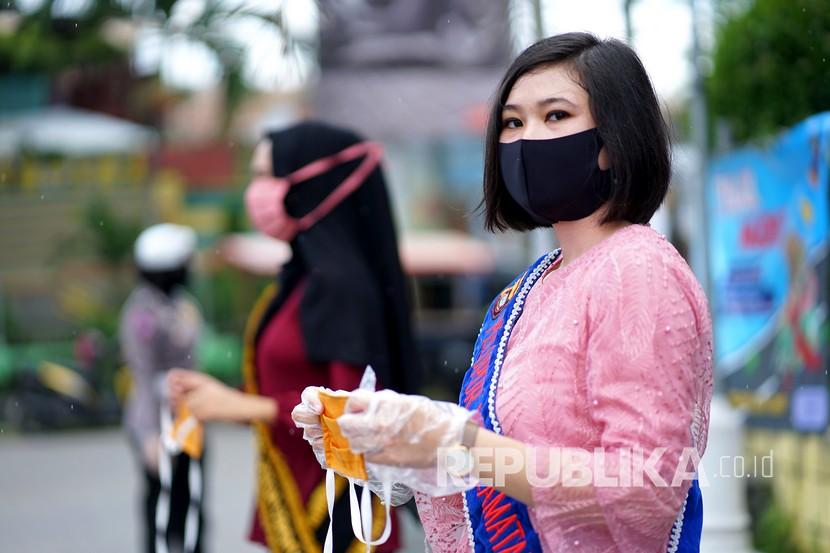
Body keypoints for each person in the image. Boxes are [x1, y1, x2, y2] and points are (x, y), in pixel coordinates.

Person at [293, 33, 714, 552]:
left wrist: (463, 443)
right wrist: (389, 441)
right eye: (512, 123)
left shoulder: (637, 269)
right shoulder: (531, 285)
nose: (526, 138)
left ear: (611, 142)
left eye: (555, 116)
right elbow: (502, 459)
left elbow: (645, 488)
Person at [169, 121, 419, 552]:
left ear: (313, 184)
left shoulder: (340, 285)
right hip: (293, 499)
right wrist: (222, 398)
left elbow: (352, 412)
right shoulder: (300, 279)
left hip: (339, 519)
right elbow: (291, 388)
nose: (257, 191)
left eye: (268, 174)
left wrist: (244, 405)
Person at [120, 223, 204, 553]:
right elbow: (143, 377)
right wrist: (150, 436)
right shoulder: (142, 312)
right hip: (157, 422)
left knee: (192, 500)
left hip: (188, 419)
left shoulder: (179, 303)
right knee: (160, 505)